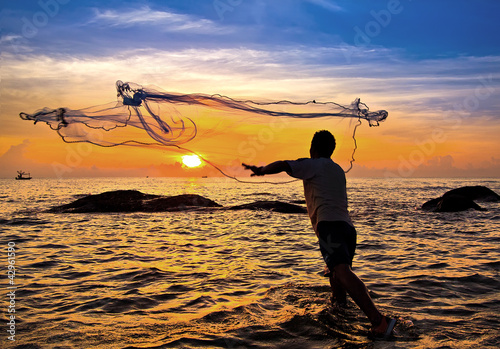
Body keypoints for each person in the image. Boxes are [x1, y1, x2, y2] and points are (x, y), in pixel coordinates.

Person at [242, 130, 396, 339]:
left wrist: (261, 170)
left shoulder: (313, 164)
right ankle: (339, 312)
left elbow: (284, 164)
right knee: (336, 273)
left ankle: (379, 321)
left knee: (341, 271)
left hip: (329, 227)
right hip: (347, 229)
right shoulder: (337, 169)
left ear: (313, 148)